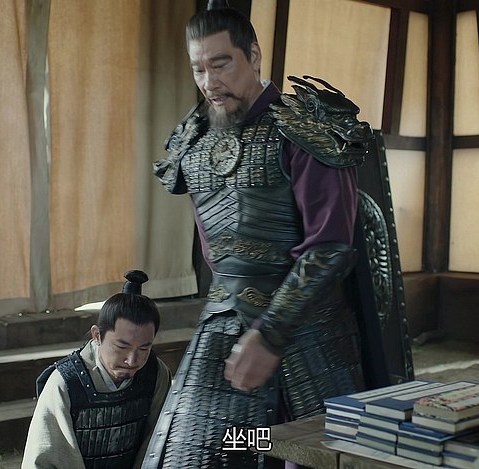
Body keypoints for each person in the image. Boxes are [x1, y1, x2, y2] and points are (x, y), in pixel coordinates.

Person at [142, 2, 401, 468]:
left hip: (311, 332)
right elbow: (216, 253)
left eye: (221, 64)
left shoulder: (304, 129)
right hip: (223, 329)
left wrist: (269, 334)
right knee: (212, 454)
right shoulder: (194, 140)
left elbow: (329, 246)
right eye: (198, 69)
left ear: (255, 55)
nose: (209, 81)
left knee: (313, 455)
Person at [22, 270, 172, 469]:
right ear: (97, 335)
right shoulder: (65, 383)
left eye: (144, 348)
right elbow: (41, 461)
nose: (132, 360)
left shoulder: (156, 374)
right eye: (121, 346)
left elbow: (161, 444)